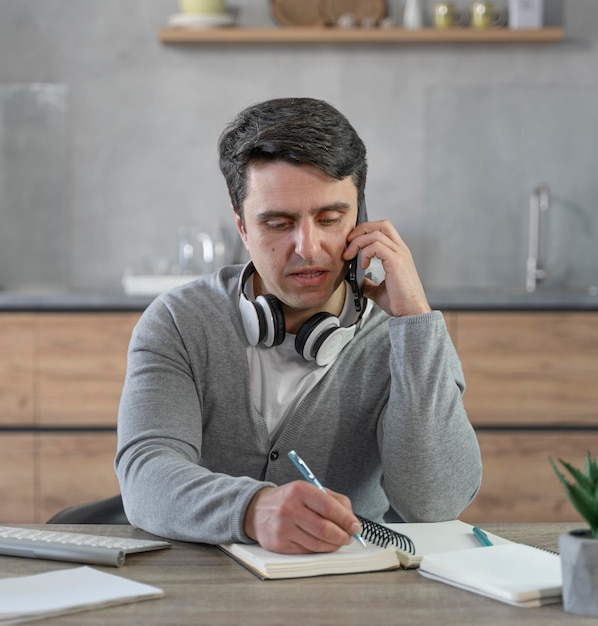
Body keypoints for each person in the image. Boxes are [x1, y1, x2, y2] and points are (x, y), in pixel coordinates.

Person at [115, 97, 482, 555]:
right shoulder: (180, 322)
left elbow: (436, 502)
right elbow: (146, 474)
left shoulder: (405, 334)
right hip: (205, 589)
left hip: (353, 590)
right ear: (242, 227)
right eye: (277, 222)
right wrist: (253, 509)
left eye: (330, 219)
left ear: (361, 219)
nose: (308, 247)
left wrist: (414, 323)